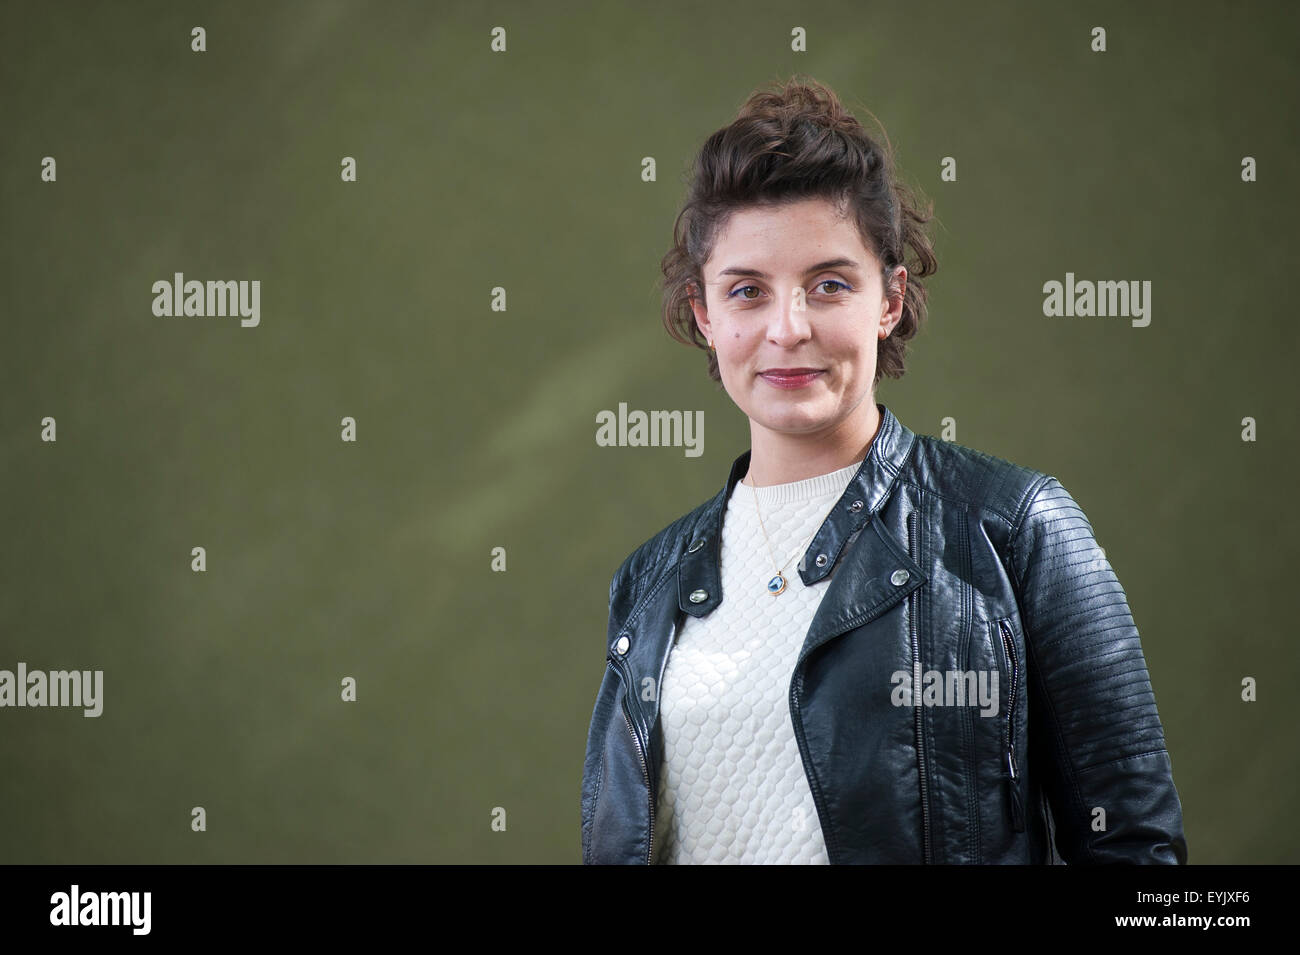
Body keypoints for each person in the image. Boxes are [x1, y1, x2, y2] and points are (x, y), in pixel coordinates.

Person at [580, 76, 1187, 864]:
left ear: (890, 300)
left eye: (829, 284)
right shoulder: (648, 584)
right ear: (705, 315)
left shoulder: (1013, 528)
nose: (787, 329)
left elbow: (1139, 854)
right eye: (746, 292)